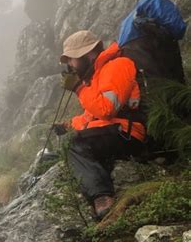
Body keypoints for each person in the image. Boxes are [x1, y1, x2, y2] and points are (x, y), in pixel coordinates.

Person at [55, 30, 147, 219]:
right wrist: (68, 126)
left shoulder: (117, 66)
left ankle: (102, 197)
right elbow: (92, 117)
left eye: (72, 59)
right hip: (116, 131)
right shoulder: (98, 75)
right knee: (69, 145)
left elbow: (106, 110)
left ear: (88, 53)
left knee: (76, 145)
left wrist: (78, 88)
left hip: (129, 133)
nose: (70, 65)